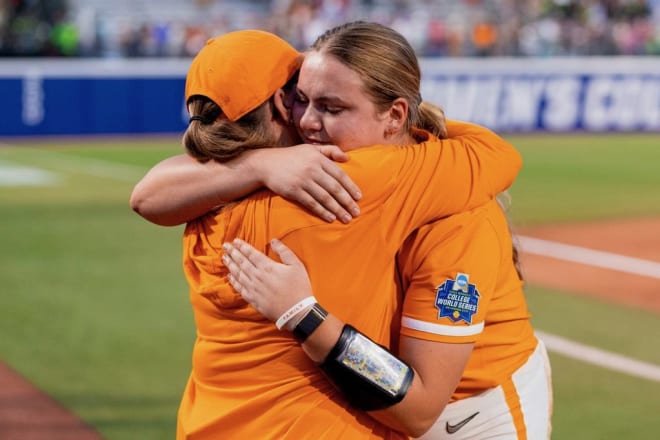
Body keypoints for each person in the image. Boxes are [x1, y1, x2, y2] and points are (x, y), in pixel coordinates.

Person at [132, 25, 524, 439]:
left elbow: (145, 196)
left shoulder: (201, 199)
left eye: (330, 106)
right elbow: (497, 156)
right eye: (302, 99)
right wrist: (304, 315)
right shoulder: (357, 180)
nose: (310, 122)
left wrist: (255, 165)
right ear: (282, 105)